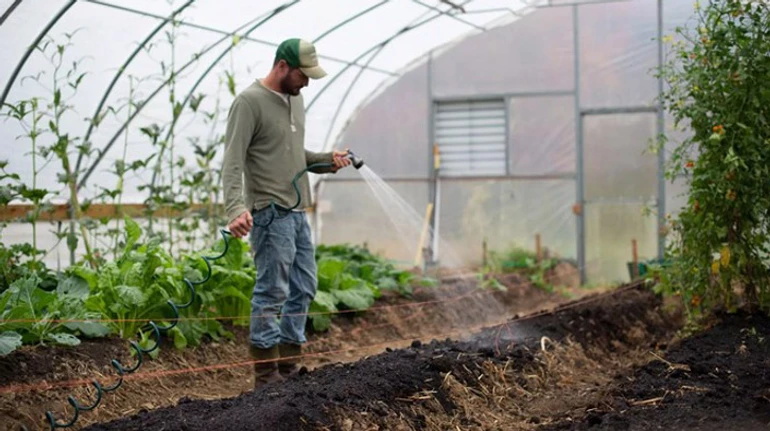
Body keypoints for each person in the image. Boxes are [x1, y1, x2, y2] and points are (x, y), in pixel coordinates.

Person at [221, 38, 352, 388]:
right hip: (270, 212)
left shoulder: (296, 100)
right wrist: (235, 208)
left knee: (305, 286)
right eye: (302, 75)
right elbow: (232, 161)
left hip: (296, 211)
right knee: (272, 291)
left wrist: (327, 160)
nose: (306, 82)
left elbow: (293, 154)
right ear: (282, 66)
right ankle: (266, 376)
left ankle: (290, 367)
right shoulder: (249, 103)